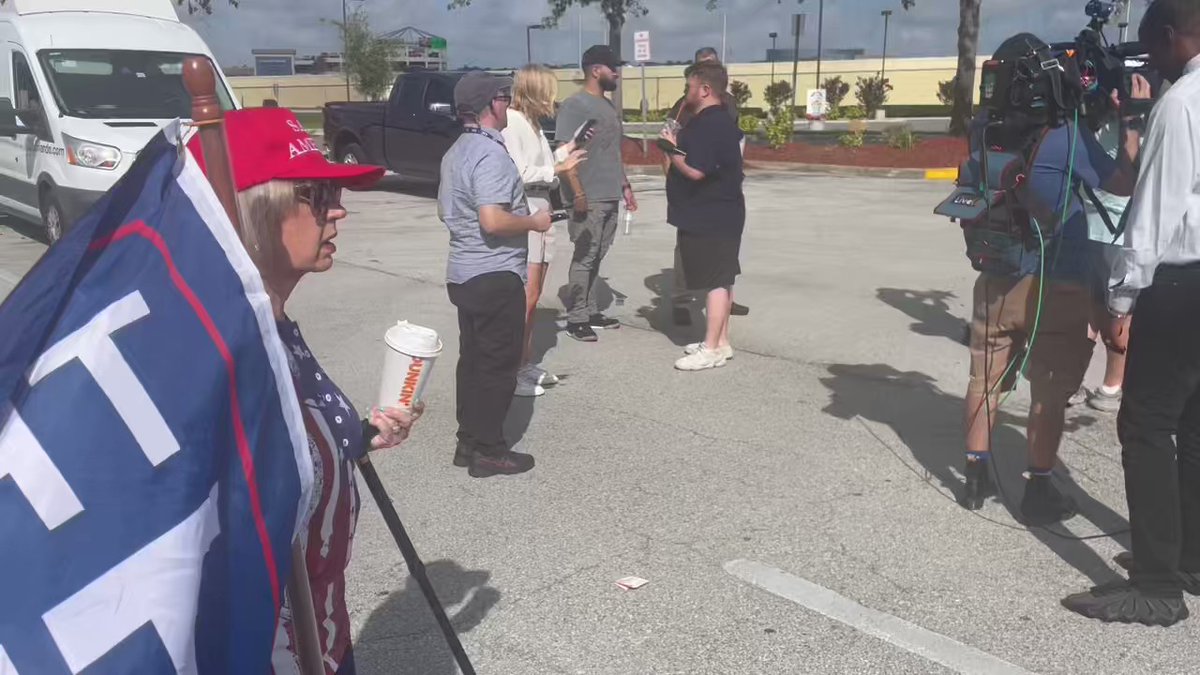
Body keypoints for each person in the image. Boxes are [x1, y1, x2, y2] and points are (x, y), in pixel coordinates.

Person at [189, 107, 423, 674]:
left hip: (322, 627)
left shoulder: (275, 324)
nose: (338, 210)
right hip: (269, 648)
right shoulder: (217, 354)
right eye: (315, 194)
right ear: (252, 210)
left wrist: (361, 434)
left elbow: (294, 443)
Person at [959, 33, 1144, 525]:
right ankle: (1039, 487)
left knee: (984, 378)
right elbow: (1119, 184)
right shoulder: (1068, 135)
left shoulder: (983, 127)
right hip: (1056, 282)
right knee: (1050, 390)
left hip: (994, 276)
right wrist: (1128, 134)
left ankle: (975, 477)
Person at [1063, 0, 1200, 626]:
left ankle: (1155, 585)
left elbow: (1157, 209)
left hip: (1179, 284)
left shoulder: (1181, 103)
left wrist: (1121, 295)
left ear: (1172, 36)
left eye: (1154, 49)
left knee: (1145, 427)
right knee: (1194, 428)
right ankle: (1188, 558)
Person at [439, 71, 551, 477]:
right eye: (504, 97)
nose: (510, 104)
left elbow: (449, 213)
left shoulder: (456, 152)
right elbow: (492, 219)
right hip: (494, 274)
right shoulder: (490, 153)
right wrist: (535, 222)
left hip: (463, 273)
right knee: (498, 366)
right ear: (489, 105)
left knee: (473, 361)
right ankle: (489, 449)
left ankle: (468, 441)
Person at [502, 64, 588, 397]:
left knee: (533, 297)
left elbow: (540, 164)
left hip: (541, 211)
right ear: (536, 91)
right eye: (549, 90)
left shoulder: (531, 124)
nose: (554, 98)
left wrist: (562, 154)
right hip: (527, 212)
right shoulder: (513, 123)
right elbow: (518, 172)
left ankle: (523, 364)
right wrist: (558, 167)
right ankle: (514, 371)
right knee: (526, 298)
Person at [660, 61, 745, 371]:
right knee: (720, 277)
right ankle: (720, 342)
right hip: (715, 212)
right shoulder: (710, 120)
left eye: (689, 87)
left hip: (714, 214)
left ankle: (711, 348)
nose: (686, 94)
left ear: (705, 89)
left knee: (717, 280)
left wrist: (670, 150)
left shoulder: (712, 124)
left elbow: (696, 171)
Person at [554, 45, 638, 342]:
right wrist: (577, 194)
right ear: (596, 70)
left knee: (598, 254)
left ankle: (590, 311)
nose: (617, 72)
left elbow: (612, 152)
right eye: (613, 67)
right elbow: (563, 155)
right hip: (585, 195)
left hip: (609, 192)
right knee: (585, 256)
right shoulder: (575, 105)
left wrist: (625, 186)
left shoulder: (607, 106)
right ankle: (577, 317)